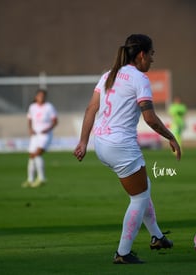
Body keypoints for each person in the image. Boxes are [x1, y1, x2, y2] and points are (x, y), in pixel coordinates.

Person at [73, 34, 181, 264]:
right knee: (139, 198)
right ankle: (122, 253)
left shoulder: (107, 76)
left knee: (143, 188)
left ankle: (157, 237)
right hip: (121, 146)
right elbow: (150, 118)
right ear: (141, 54)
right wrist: (171, 137)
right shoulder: (139, 78)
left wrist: (83, 142)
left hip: (101, 144)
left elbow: (91, 108)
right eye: (151, 54)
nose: (152, 60)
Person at [22, 89, 58, 188]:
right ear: (36, 97)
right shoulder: (32, 107)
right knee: (31, 156)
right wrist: (30, 129)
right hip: (35, 135)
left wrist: (47, 129)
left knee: (37, 153)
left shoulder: (49, 107)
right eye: (39, 95)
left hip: (45, 135)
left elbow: (55, 121)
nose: (41, 97)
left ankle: (42, 178)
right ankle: (30, 180)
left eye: (43, 96)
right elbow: (29, 118)